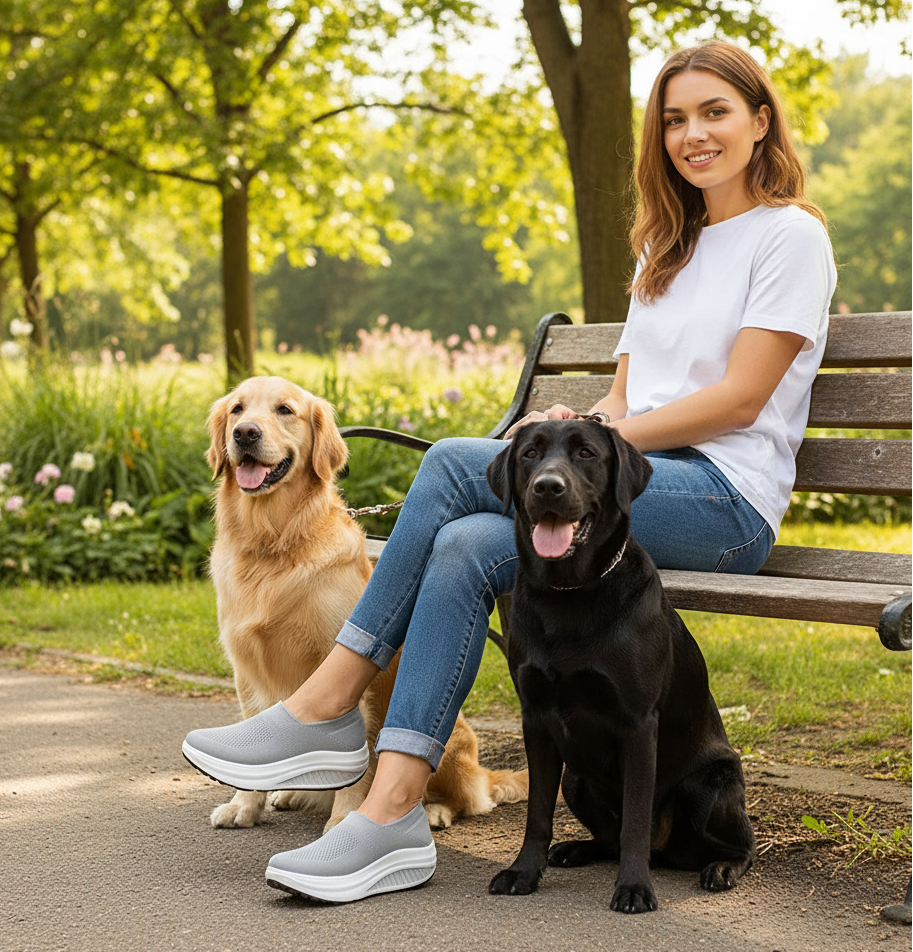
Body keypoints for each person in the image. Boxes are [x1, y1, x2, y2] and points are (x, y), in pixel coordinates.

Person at [181, 41, 836, 903]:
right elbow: (623, 401)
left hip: (724, 501)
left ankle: (325, 706)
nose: (693, 134)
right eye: (674, 119)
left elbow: (741, 400)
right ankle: (390, 815)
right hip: (629, 486)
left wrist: (607, 438)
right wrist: (573, 429)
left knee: (457, 461)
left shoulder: (790, 236)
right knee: (460, 544)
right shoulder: (664, 250)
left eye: (715, 112)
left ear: (760, 121)